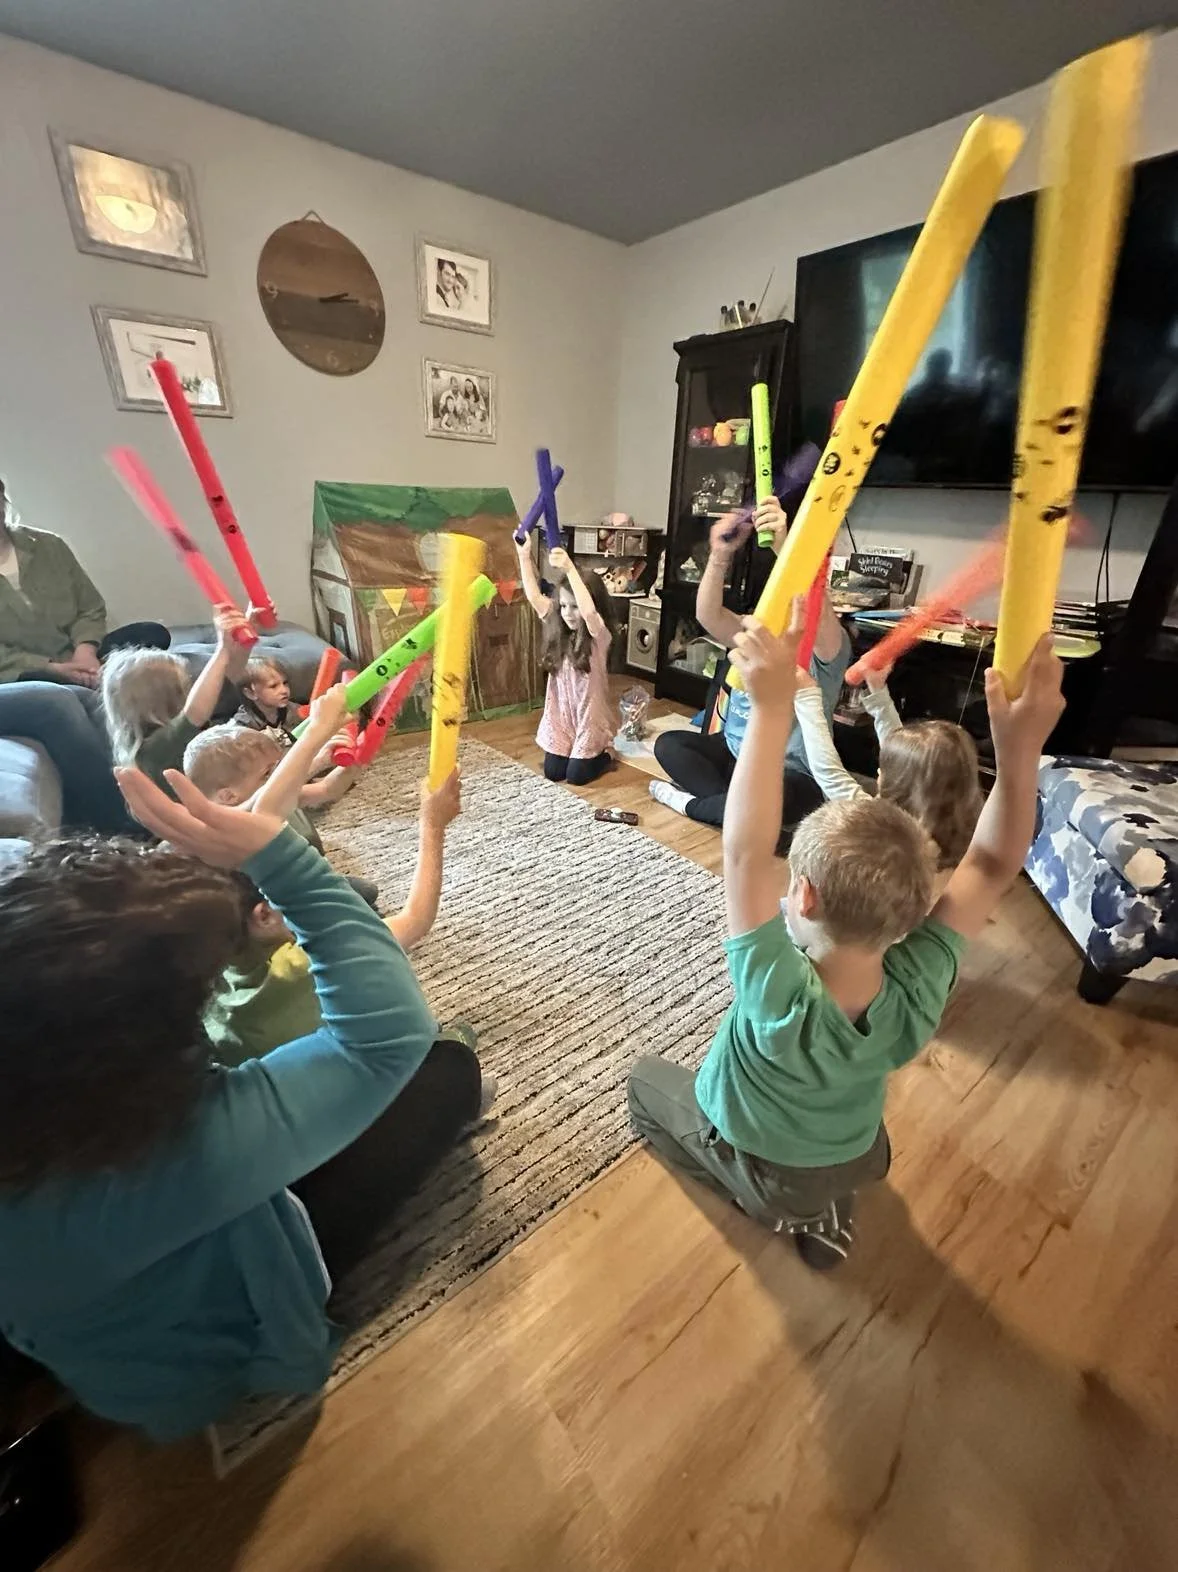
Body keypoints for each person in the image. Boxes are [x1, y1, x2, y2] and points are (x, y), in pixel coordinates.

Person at [0, 763, 489, 1439]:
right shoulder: (179, 1156)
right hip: (202, 1380)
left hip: (98, 1355)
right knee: (444, 1068)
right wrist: (285, 858)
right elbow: (384, 1035)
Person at [628, 599, 1064, 1271]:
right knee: (838, 1149)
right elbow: (992, 863)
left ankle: (774, 1203)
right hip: (854, 1148)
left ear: (802, 895)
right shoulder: (919, 980)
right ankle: (827, 1201)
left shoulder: (778, 991)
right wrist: (1020, 752)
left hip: (771, 1167)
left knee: (644, 1088)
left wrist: (772, 710)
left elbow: (743, 852)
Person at [203, 693, 472, 1067]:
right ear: (264, 914)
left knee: (357, 894)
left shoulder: (207, 955)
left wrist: (342, 754)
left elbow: (273, 807)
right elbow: (416, 919)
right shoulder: (298, 964)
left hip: (261, 1053)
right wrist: (432, 824)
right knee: (452, 1062)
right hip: (329, 1081)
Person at [650, 498, 851, 840]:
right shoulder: (759, 632)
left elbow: (815, 606)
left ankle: (698, 805)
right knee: (669, 745)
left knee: (777, 797)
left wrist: (785, 548)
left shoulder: (828, 649)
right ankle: (737, 811)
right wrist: (719, 555)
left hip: (792, 775)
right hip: (737, 758)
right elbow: (709, 615)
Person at [793, 660, 983, 871]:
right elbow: (902, 755)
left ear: (900, 790)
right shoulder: (934, 829)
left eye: (884, 771)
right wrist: (878, 692)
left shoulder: (875, 821)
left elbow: (827, 770)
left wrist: (807, 697)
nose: (879, 770)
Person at [183, 705, 373, 902]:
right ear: (228, 796)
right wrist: (315, 760)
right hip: (264, 901)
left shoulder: (267, 796)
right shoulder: (220, 828)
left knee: (365, 892)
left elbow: (326, 790)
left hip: (292, 877)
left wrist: (357, 761)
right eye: (266, 774)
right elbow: (266, 797)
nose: (275, 776)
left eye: (275, 769)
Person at [0, 476, 170, 687]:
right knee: (41, 688)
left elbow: (90, 608)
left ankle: (91, 674)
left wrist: (85, 653)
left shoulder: (49, 545)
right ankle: (93, 678)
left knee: (151, 633)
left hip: (80, 654)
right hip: (25, 673)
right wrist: (53, 668)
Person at [101, 604, 253, 792]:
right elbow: (195, 712)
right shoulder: (152, 751)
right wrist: (222, 651)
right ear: (160, 700)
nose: (192, 689)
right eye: (184, 686)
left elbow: (230, 677)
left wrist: (248, 633)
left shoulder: (183, 727)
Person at [516, 542, 616, 786]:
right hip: (563, 716)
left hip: (588, 718)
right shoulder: (558, 629)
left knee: (576, 776)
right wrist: (524, 554)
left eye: (574, 607)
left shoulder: (599, 636)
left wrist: (570, 569)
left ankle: (607, 752)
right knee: (553, 772)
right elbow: (533, 596)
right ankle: (573, 750)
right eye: (563, 606)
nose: (568, 614)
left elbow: (589, 613)